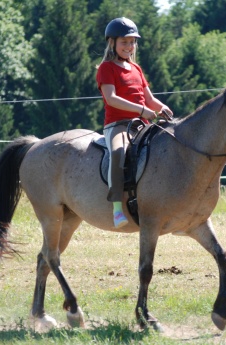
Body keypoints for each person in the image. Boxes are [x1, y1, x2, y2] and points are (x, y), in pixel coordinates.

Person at [96, 17, 173, 229]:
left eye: (132, 42)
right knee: (119, 152)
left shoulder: (136, 68)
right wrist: (142, 110)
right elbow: (111, 98)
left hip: (142, 124)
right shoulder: (106, 68)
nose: (129, 47)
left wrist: (161, 107)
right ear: (112, 43)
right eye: (124, 42)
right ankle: (117, 209)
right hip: (118, 125)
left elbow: (149, 99)